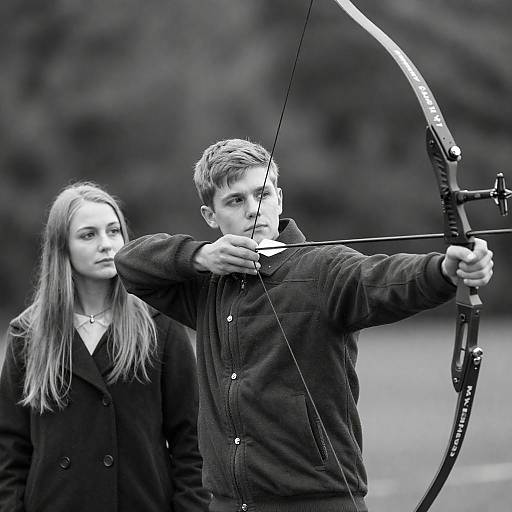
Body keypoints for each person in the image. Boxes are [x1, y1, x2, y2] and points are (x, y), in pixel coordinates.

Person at [113, 139, 494, 512]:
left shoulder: (322, 270)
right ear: (210, 217)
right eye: (235, 200)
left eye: (262, 194)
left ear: (280, 198)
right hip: (229, 504)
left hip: (317, 500)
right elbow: (131, 264)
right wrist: (200, 255)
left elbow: (381, 279)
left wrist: (445, 270)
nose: (253, 210)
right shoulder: (206, 285)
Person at [0, 182, 210, 512]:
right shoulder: (27, 334)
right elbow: (9, 451)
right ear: (62, 248)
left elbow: (192, 443)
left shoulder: (159, 325)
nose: (106, 244)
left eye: (114, 231)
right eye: (88, 235)